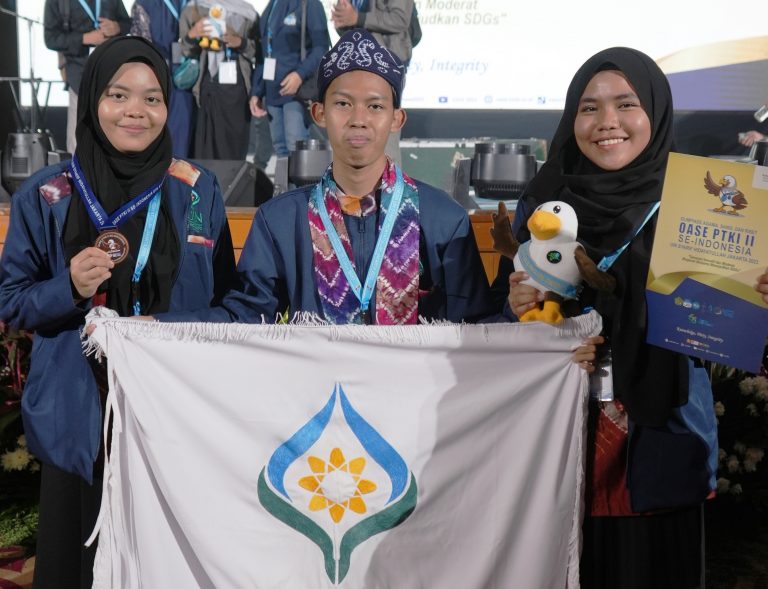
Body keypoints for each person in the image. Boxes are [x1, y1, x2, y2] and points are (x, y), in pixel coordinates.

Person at [0, 36, 236, 588]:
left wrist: (166, 331)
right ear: (91, 104)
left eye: (152, 98)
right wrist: (68, 288)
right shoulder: (46, 195)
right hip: (78, 416)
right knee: (75, 566)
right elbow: (12, 303)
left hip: (171, 414)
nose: (136, 110)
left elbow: (230, 310)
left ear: (168, 108)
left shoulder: (197, 192)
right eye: (117, 95)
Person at [492, 47, 720, 589]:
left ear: (656, 113)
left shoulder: (696, 206)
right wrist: (518, 311)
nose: (607, 123)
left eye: (626, 104)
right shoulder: (543, 200)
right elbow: (500, 318)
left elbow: (722, 331)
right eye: (589, 108)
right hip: (555, 443)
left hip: (659, 441)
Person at [224, 29, 492, 324]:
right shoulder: (279, 220)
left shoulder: (444, 220)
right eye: (343, 104)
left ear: (396, 119)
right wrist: (164, 330)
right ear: (319, 113)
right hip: (317, 371)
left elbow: (477, 331)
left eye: (375, 106)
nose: (358, 120)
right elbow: (244, 321)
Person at [332, 0, 416, 165]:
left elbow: (400, 19)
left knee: (384, 133)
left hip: (386, 66)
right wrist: (342, 19)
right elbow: (350, 24)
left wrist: (358, 18)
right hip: (354, 66)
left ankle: (390, 188)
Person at [43, 0, 131, 154]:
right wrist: (84, 38)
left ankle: (111, 173)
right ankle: (77, 174)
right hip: (79, 73)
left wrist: (117, 27)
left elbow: (126, 23)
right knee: (79, 133)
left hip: (112, 70)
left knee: (113, 129)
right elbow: (50, 38)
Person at [179, 0, 260, 159]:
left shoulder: (248, 13)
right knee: (204, 149)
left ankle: (232, 183)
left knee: (233, 147)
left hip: (236, 88)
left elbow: (259, 51)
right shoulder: (194, 8)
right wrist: (192, 35)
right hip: (205, 86)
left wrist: (240, 42)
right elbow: (184, 50)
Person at [249, 0, 329, 157]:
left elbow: (321, 48)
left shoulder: (309, 4)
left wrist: (300, 74)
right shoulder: (271, 6)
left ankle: (303, 183)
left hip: (297, 92)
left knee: (296, 147)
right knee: (280, 149)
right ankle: (287, 183)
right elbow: (263, 53)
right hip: (272, 91)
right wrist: (256, 91)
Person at [131, 0, 196, 158]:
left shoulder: (195, 3)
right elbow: (140, 44)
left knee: (186, 138)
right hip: (157, 80)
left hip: (190, 79)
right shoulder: (144, 4)